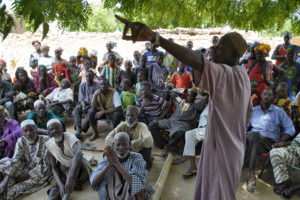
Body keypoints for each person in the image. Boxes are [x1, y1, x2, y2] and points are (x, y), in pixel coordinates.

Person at [115, 15, 252, 200]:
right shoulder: (243, 76)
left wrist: (155, 38)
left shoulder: (225, 74)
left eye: (221, 47)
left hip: (223, 152)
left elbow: (198, 61)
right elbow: (247, 114)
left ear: (235, 55)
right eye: (216, 45)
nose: (214, 49)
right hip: (225, 147)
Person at [244, 88, 295, 192]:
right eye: (265, 94)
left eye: (269, 95)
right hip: (253, 141)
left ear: (273, 98)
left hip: (269, 142)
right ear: (261, 96)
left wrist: (281, 140)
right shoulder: (253, 110)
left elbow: (291, 128)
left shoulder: (279, 111)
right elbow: (244, 127)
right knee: (251, 136)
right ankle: (248, 171)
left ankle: (251, 175)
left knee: (252, 135)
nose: (267, 96)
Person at [90, 132, 155, 200]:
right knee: (108, 174)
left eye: (124, 144)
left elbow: (138, 184)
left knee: (135, 179)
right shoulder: (109, 158)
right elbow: (94, 183)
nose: (121, 148)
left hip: (131, 195)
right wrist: (109, 165)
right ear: (113, 145)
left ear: (129, 144)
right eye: (118, 145)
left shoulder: (137, 157)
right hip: (112, 194)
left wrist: (117, 164)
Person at [0, 119, 51, 200]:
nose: (29, 133)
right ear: (22, 132)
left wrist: (28, 175)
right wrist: (6, 180)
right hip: (23, 168)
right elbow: (16, 160)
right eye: (25, 131)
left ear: (36, 129)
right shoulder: (21, 140)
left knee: (12, 190)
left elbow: (46, 166)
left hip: (38, 174)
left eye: (31, 130)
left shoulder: (46, 141)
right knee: (3, 164)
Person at [46, 119, 92, 200]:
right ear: (49, 133)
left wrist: (70, 178)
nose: (55, 130)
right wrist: (60, 185)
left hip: (77, 169)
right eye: (52, 129)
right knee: (53, 193)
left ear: (62, 129)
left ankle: (67, 193)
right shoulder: (49, 145)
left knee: (67, 188)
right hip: (63, 171)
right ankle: (62, 188)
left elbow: (78, 154)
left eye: (57, 128)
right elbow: (54, 167)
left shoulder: (70, 137)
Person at [149, 88, 204, 152]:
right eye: (188, 95)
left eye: (191, 96)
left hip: (183, 124)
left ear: (195, 97)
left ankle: (170, 147)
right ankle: (162, 145)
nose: (189, 97)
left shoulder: (195, 106)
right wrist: (184, 90)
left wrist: (197, 91)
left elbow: (202, 100)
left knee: (179, 133)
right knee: (152, 125)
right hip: (170, 121)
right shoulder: (181, 101)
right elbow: (173, 91)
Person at [181, 105, 208, 178]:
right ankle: (193, 167)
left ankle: (194, 167)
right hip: (203, 128)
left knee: (190, 134)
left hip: (212, 129)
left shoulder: (221, 104)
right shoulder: (210, 103)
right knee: (189, 134)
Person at [270, 133, 300, 199]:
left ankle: (294, 188)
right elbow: (294, 143)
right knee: (275, 152)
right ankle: (284, 182)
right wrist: (284, 143)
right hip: (293, 152)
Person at [74, 70, 99, 139]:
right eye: (87, 76)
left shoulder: (97, 86)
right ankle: (78, 129)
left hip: (94, 105)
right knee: (77, 109)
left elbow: (97, 101)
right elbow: (81, 98)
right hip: (84, 104)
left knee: (91, 112)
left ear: (93, 77)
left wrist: (87, 107)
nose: (88, 78)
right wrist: (83, 105)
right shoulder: (82, 85)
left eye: (90, 76)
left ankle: (81, 130)